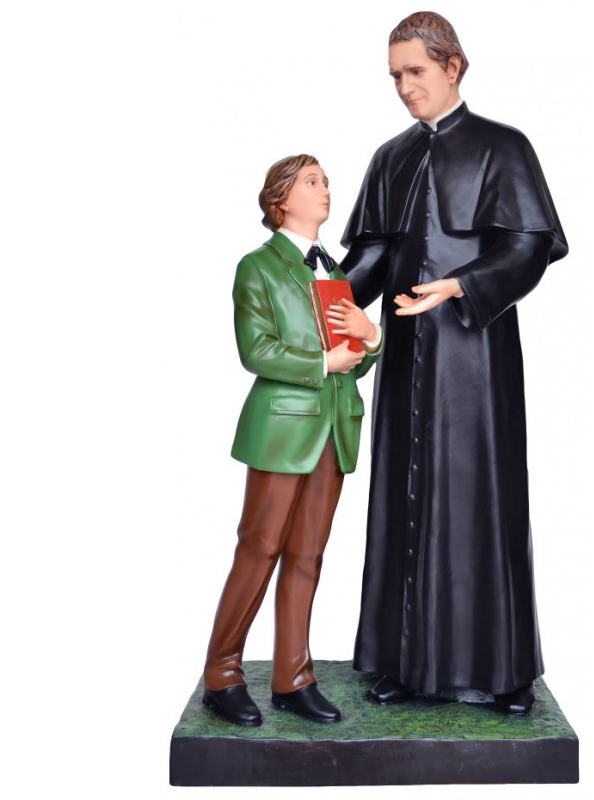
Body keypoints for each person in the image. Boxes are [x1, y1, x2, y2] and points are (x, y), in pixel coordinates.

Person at [341, 11, 568, 714]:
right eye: (395, 76)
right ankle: (405, 666)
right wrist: (315, 296)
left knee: (483, 500)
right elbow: (370, 257)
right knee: (402, 500)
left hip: (475, 357)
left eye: (415, 71)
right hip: (404, 355)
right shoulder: (390, 157)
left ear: (453, 66)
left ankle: (503, 674)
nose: (404, 88)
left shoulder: (505, 146)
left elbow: (527, 247)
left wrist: (461, 286)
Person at [201, 154, 383, 726]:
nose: (325, 189)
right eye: (311, 181)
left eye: (326, 180)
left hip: (334, 427)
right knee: (259, 549)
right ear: (280, 200)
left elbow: (352, 360)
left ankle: (293, 677)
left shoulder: (334, 272)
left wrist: (370, 339)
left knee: (307, 554)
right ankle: (222, 674)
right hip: (283, 429)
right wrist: (322, 362)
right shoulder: (258, 267)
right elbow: (256, 350)